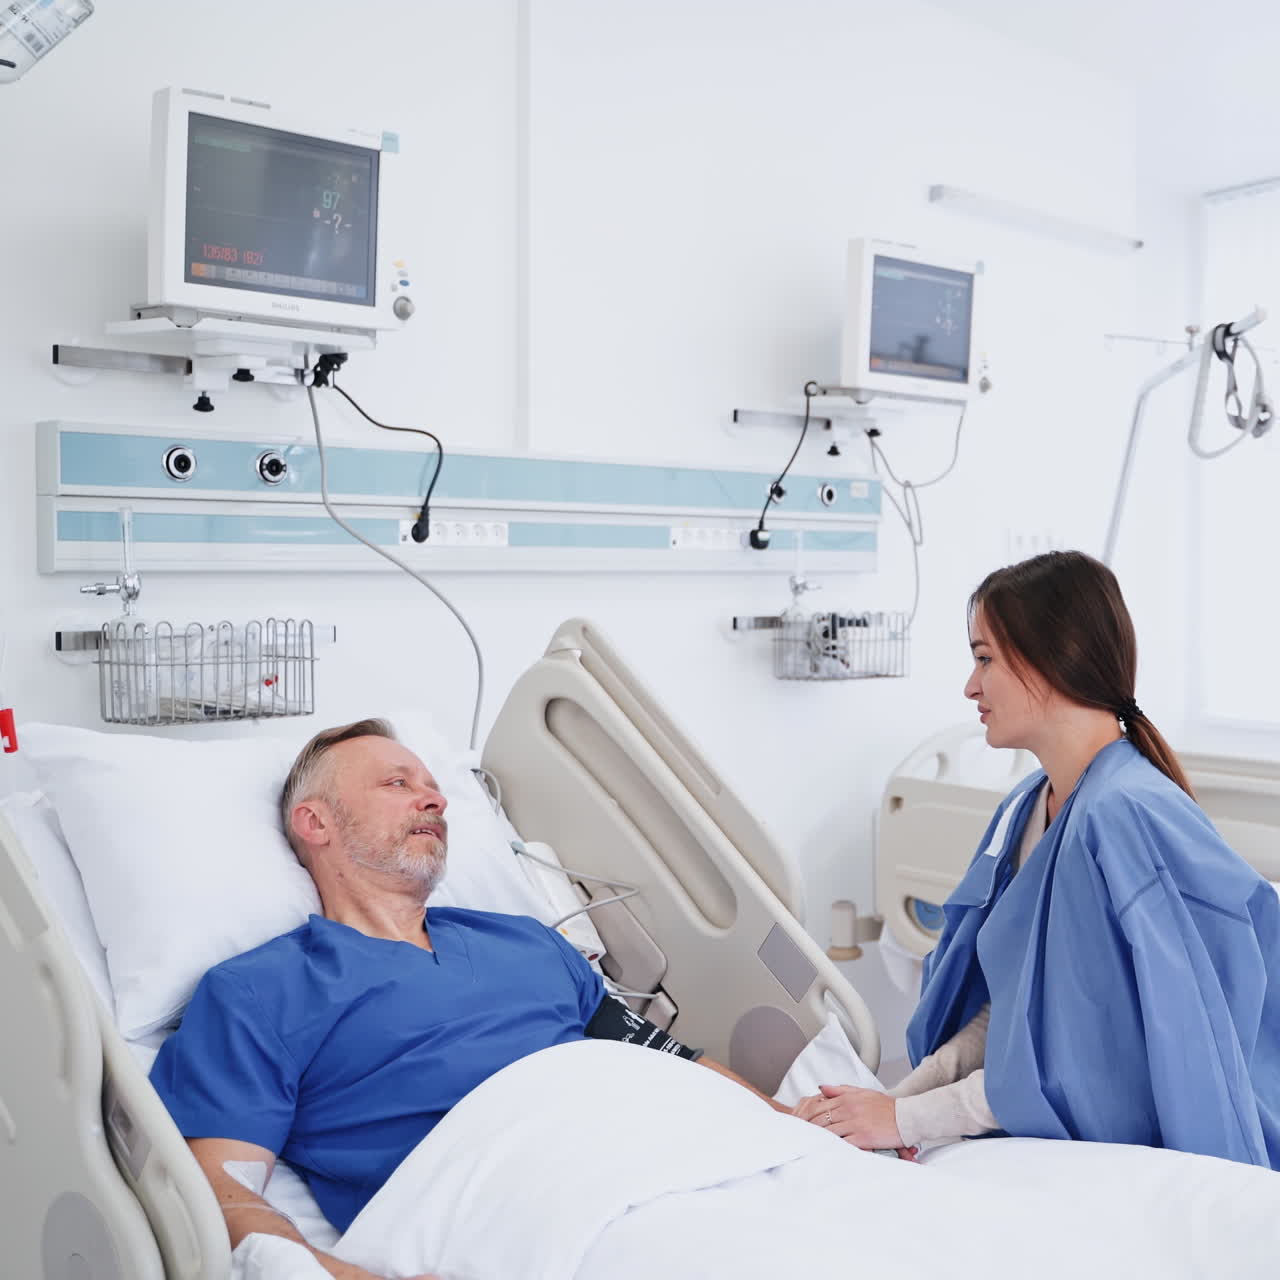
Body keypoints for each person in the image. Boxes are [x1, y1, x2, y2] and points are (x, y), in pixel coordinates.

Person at [150, 719, 783, 1280]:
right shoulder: (259, 991)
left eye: (432, 784)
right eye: (396, 784)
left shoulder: (527, 940)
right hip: (537, 1221)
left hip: (699, 1167)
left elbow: (670, 1057)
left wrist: (792, 1125)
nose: (435, 798)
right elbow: (217, 1187)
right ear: (315, 822)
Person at [796, 550, 1280, 1166]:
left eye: (984, 658)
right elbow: (1013, 1012)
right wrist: (894, 1106)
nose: (970, 686)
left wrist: (903, 1117)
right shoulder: (1028, 808)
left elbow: (1105, 1062)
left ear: (1050, 661)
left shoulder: (1126, 817)